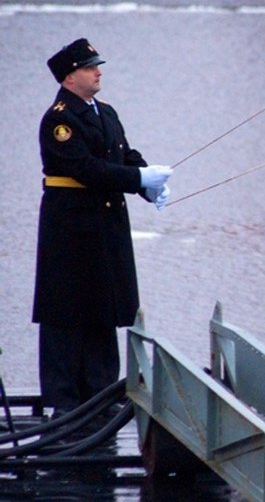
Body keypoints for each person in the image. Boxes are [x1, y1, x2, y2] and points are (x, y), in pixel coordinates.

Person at [33, 38, 173, 418]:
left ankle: (102, 392)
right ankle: (64, 400)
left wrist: (148, 185)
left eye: (97, 65)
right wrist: (138, 177)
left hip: (105, 222)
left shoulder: (104, 111)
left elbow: (122, 153)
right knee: (66, 311)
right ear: (69, 76)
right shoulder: (60, 119)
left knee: (103, 307)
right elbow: (86, 169)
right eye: (90, 66)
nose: (98, 71)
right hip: (71, 225)